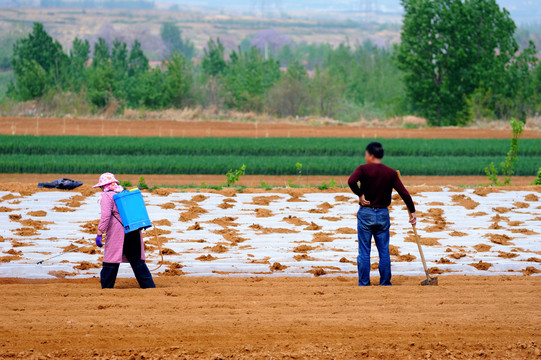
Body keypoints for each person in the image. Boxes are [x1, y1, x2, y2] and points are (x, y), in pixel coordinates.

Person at [348, 142, 416, 286]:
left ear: (371, 155)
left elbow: (351, 181)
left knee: (364, 251)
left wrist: (360, 194)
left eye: (366, 154)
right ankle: (385, 282)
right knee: (384, 250)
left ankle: (364, 283)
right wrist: (413, 211)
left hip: (366, 213)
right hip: (383, 214)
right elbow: (404, 192)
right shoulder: (390, 172)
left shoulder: (363, 169)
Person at [93, 173, 155, 289]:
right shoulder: (123, 193)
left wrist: (100, 233)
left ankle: (106, 287)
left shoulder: (106, 196)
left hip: (118, 232)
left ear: (104, 186)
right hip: (133, 229)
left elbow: (105, 216)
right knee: (137, 261)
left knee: (111, 259)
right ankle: (149, 287)